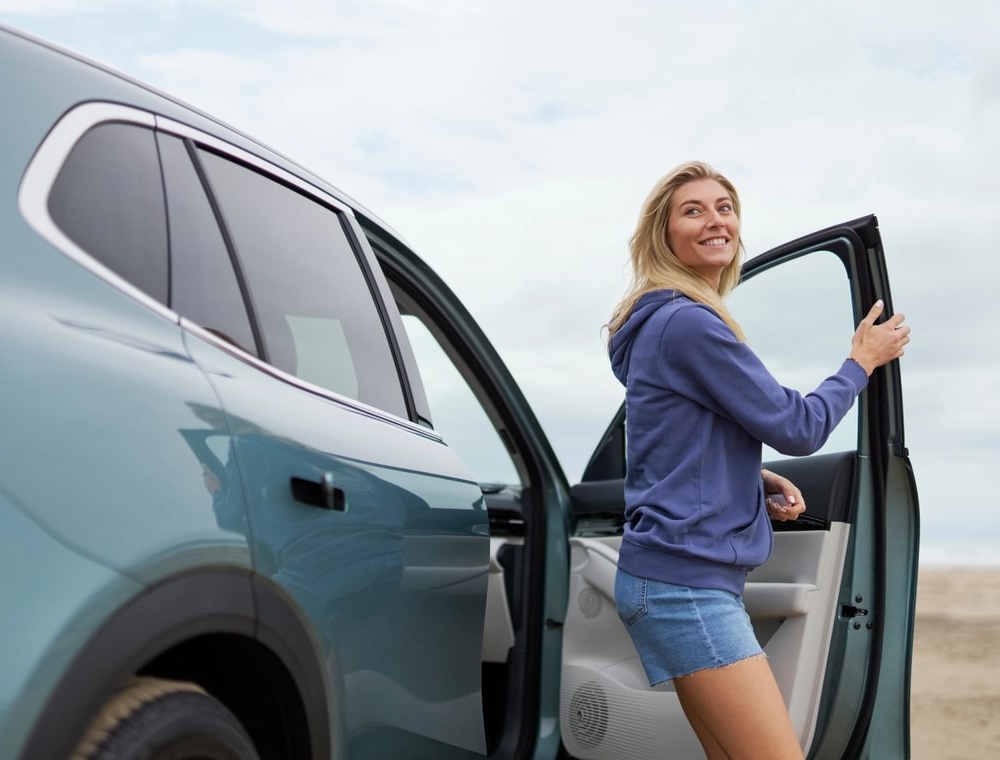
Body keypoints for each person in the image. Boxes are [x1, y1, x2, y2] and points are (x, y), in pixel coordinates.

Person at [605, 160, 910, 760]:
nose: (716, 219)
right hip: (685, 585)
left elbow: (669, 443)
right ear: (663, 236)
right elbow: (798, 427)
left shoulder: (658, 324)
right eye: (693, 210)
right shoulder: (688, 323)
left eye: (725, 207)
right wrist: (860, 363)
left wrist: (749, 475)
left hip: (669, 578)